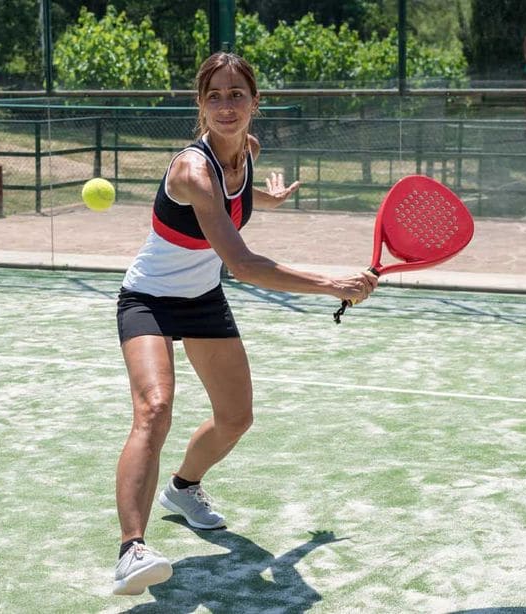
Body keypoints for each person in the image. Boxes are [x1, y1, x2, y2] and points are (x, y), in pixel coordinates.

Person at [111, 52, 378, 596]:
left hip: (202, 297)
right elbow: (244, 264)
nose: (226, 106)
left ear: (255, 102)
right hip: (149, 299)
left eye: (237, 95)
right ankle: (131, 549)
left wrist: (266, 198)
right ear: (200, 105)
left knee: (236, 417)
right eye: (215, 96)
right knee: (155, 408)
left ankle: (184, 488)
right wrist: (331, 282)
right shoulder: (192, 168)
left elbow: (234, 197)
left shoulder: (247, 153)